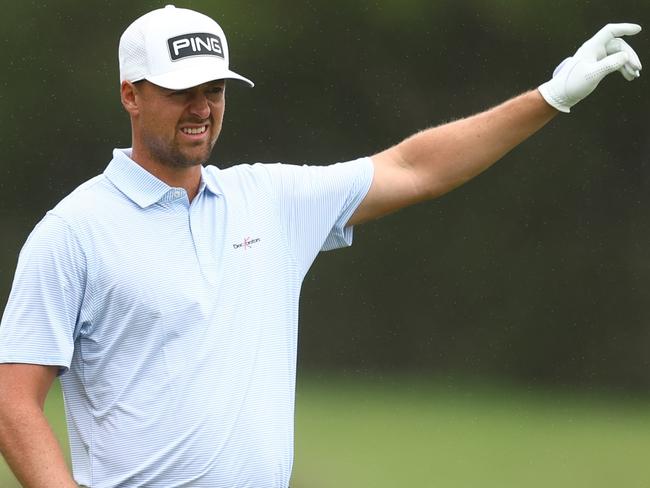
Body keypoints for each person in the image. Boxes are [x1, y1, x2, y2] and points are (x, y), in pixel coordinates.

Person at [0, 5, 642, 488]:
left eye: (214, 90)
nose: (201, 108)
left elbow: (414, 167)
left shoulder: (270, 200)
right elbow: (12, 399)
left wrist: (549, 98)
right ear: (131, 95)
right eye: (179, 91)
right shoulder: (74, 229)